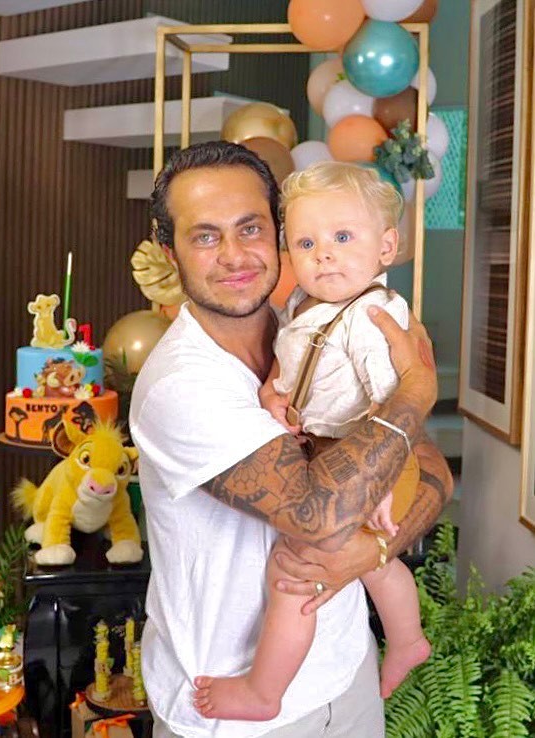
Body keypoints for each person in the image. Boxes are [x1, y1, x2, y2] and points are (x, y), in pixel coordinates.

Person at [130, 141, 453, 738]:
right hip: (235, 717)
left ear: (275, 235)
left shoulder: (309, 323)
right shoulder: (181, 385)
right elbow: (320, 517)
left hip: (345, 673)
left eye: (250, 228)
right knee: (296, 558)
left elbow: (432, 467)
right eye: (205, 236)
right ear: (170, 253)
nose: (234, 255)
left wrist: (372, 552)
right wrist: (415, 390)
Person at [194, 162, 431, 723]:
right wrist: (274, 390)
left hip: (375, 455)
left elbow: (394, 403)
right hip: (333, 447)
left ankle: (264, 691)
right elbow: (295, 354)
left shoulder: (374, 317)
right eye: (306, 243)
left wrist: (377, 480)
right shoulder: (305, 302)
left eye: (343, 237)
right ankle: (408, 639)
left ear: (386, 247)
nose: (323, 254)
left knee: (293, 568)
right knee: (373, 563)